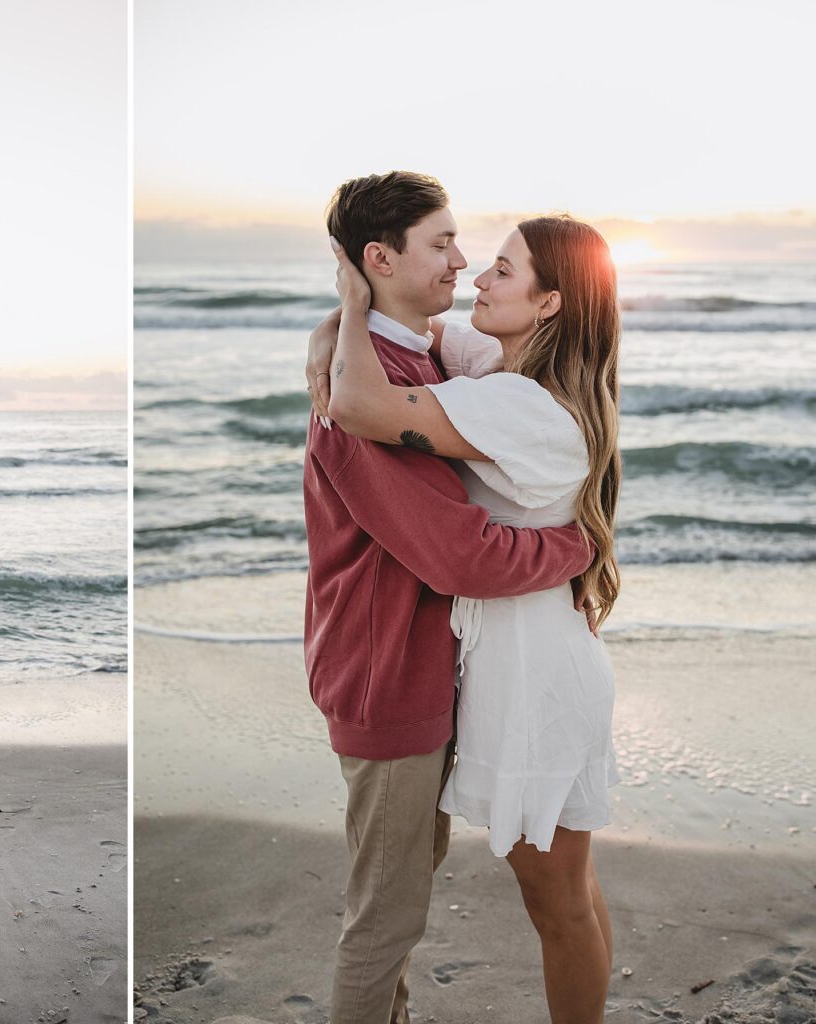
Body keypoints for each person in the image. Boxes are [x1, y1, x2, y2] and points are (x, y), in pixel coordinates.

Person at [299, 171, 600, 1024]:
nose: (464, 265)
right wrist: (570, 545)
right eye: (442, 244)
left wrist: (341, 317)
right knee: (386, 920)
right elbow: (453, 553)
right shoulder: (363, 394)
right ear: (379, 257)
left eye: (482, 256)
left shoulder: (421, 360)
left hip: (435, 667)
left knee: (413, 904)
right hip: (386, 672)